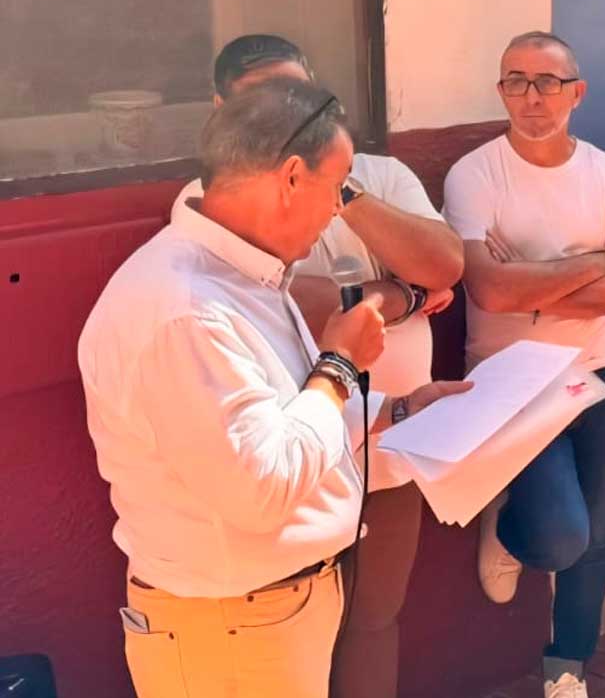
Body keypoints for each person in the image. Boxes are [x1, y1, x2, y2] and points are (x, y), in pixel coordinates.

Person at [80, 82, 470, 698]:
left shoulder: (243, 273)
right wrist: (341, 364)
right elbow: (260, 489)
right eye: (337, 189)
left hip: (262, 613)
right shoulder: (187, 310)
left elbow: (285, 412)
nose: (338, 211)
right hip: (231, 625)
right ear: (292, 177)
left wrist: (396, 409)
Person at [444, 32, 605, 698]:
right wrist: (596, 263)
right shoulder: (474, 174)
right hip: (513, 384)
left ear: (577, 92)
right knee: (563, 538)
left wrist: (533, 286)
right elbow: (489, 290)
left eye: (547, 82)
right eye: (516, 81)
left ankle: (568, 668)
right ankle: (509, 528)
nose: (531, 97)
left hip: (602, 375)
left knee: (595, 534)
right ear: (501, 90)